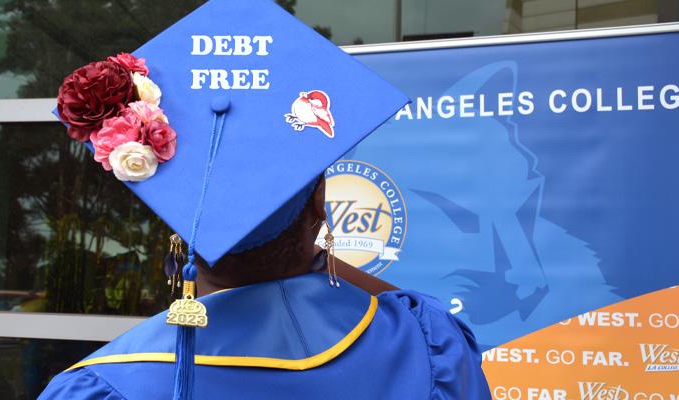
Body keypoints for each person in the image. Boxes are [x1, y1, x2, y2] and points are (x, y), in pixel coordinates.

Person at [39, 0, 491, 398]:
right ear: (322, 204)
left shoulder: (103, 384)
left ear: (173, 215)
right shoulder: (426, 346)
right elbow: (419, 311)